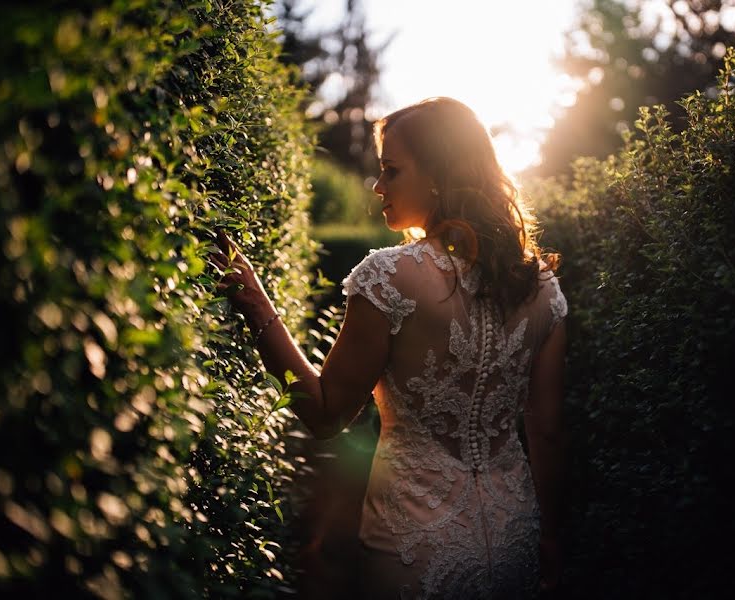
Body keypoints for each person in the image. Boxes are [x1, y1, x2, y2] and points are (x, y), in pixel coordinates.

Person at [209, 97, 568, 599]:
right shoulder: (544, 288)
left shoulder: (389, 278)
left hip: (414, 547)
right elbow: (547, 431)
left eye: (391, 171)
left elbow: (326, 411)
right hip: (515, 535)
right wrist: (550, 535)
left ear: (439, 176)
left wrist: (255, 302)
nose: (378, 186)